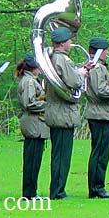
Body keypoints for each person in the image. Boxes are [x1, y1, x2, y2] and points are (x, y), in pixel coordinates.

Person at [44, 26, 88, 200]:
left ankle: (57, 189)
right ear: (62, 43)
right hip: (62, 113)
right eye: (69, 40)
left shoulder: (53, 58)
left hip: (56, 112)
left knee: (58, 154)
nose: (71, 43)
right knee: (62, 156)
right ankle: (58, 191)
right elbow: (74, 81)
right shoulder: (62, 60)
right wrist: (82, 73)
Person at [83, 36, 109, 199]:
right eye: (105, 50)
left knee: (99, 152)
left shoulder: (96, 67)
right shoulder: (98, 68)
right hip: (101, 114)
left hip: (100, 113)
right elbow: (100, 90)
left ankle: (96, 187)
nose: (108, 53)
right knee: (100, 152)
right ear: (100, 51)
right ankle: (97, 187)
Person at [16, 53, 49, 199]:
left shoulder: (30, 80)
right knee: (32, 161)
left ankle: (30, 192)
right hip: (33, 123)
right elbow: (29, 103)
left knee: (34, 160)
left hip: (35, 123)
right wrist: (48, 105)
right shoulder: (29, 81)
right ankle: (29, 193)